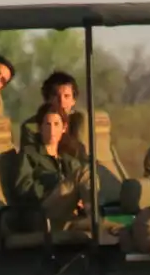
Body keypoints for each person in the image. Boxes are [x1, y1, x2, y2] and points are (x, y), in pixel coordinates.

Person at [12, 102, 92, 232]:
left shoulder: (67, 159)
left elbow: (81, 182)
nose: (52, 130)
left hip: (67, 215)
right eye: (47, 125)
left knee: (89, 173)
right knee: (82, 173)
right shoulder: (29, 153)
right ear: (40, 128)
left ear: (64, 128)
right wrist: (52, 187)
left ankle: (96, 216)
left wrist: (78, 198)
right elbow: (23, 187)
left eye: (56, 125)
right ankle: (93, 214)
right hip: (41, 213)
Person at [19, 71, 86, 159]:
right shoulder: (31, 126)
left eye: (66, 96)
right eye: (56, 96)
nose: (61, 102)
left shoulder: (79, 122)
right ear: (47, 99)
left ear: (73, 100)